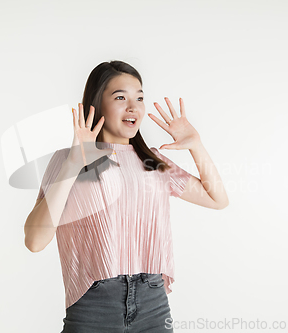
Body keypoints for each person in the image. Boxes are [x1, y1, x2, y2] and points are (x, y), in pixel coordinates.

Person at [24, 60, 229, 332]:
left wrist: (196, 145)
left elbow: (217, 199)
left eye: (140, 98)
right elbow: (34, 241)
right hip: (94, 305)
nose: (133, 107)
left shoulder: (152, 161)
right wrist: (74, 164)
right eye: (120, 97)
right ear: (96, 105)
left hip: (153, 304)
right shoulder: (68, 161)